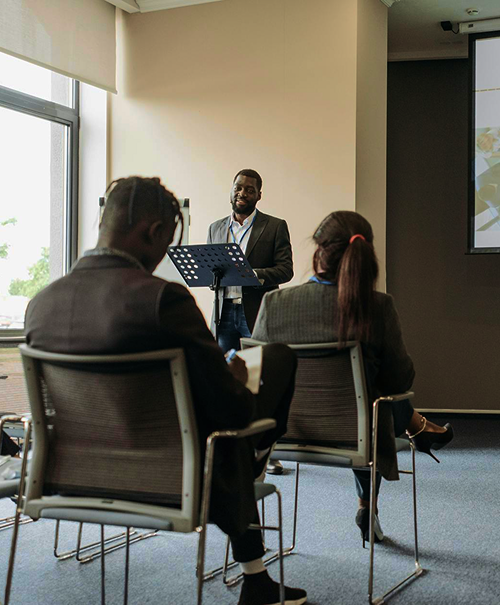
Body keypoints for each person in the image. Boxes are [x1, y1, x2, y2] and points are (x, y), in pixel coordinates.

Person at [24, 176, 307, 605]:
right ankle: (255, 459)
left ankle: (256, 568)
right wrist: (230, 377)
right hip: (172, 477)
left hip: (68, 476)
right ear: (156, 233)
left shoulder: (39, 304)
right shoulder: (164, 302)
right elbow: (230, 411)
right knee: (271, 368)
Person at [252, 210, 454, 544]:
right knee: (377, 403)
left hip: (287, 432)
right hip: (358, 435)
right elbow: (401, 382)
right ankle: (369, 500)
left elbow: (258, 376)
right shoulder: (378, 306)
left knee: (372, 403)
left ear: (319, 251)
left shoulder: (273, 303)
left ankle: (417, 429)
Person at [207, 169, 293, 354]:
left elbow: (286, 270)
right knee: (225, 371)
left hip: (257, 312)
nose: (242, 194)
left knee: (260, 367)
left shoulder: (275, 226)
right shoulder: (215, 228)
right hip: (223, 312)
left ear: (259, 195)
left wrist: (253, 275)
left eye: (249, 190)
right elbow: (211, 272)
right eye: (238, 188)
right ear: (231, 190)